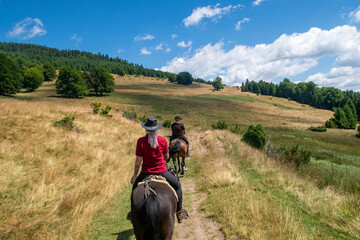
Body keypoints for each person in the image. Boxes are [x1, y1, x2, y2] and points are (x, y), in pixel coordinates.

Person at [128, 116, 189, 223]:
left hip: (145, 172)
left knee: (134, 189)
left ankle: (133, 214)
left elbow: (138, 160)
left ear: (146, 129)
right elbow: (166, 156)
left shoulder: (141, 141)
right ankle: (179, 212)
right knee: (178, 186)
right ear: (156, 129)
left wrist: (135, 174)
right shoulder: (162, 140)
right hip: (162, 171)